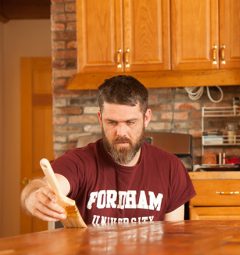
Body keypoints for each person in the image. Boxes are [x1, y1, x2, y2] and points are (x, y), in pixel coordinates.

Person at [21, 75, 196, 225]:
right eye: (112, 122)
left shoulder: (170, 167)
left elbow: (174, 240)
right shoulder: (80, 161)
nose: (120, 132)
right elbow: (43, 185)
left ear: (146, 118)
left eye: (130, 122)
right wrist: (33, 197)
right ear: (100, 118)